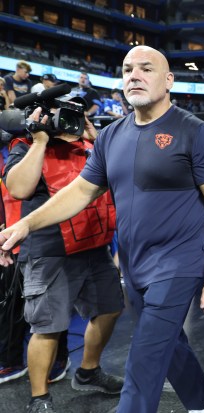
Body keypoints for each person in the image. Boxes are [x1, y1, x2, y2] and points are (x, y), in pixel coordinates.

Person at [0, 45, 204, 413]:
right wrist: (26, 224)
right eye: (127, 70)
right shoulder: (111, 137)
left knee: (144, 356)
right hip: (134, 264)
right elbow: (80, 191)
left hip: (180, 263)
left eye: (146, 68)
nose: (134, 76)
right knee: (169, 343)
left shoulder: (194, 131)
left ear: (168, 80)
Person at [3, 110, 124, 413]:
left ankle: (88, 372)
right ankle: (39, 398)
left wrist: (99, 140)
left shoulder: (88, 146)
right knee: (47, 326)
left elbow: (118, 178)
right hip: (49, 250)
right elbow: (19, 189)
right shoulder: (25, 144)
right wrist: (40, 141)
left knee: (110, 309)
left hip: (94, 245)